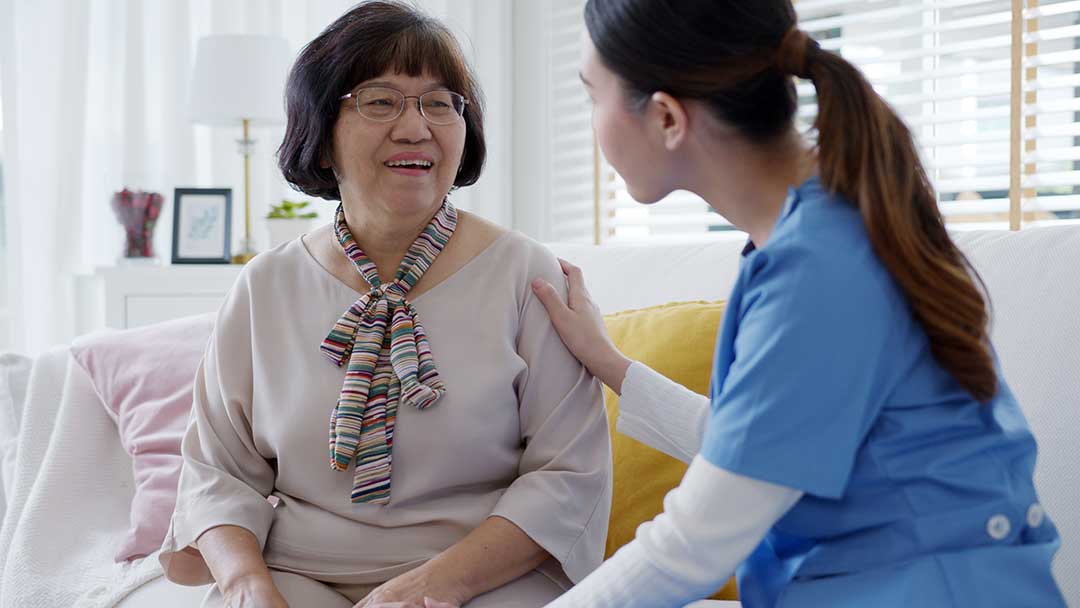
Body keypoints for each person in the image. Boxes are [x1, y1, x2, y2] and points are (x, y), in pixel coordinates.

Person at [530, 1, 1066, 606]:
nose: (592, 120)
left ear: (665, 118)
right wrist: (611, 365)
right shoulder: (815, 237)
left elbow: (690, 548)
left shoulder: (819, 272)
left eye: (592, 96)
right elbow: (751, 452)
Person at [158, 2, 611, 607]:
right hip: (299, 571)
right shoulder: (264, 286)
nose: (416, 127)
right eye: (380, 101)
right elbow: (217, 473)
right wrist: (246, 586)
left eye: (439, 102)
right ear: (321, 139)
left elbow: (568, 476)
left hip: (482, 576)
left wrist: (433, 585)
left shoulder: (529, 277)